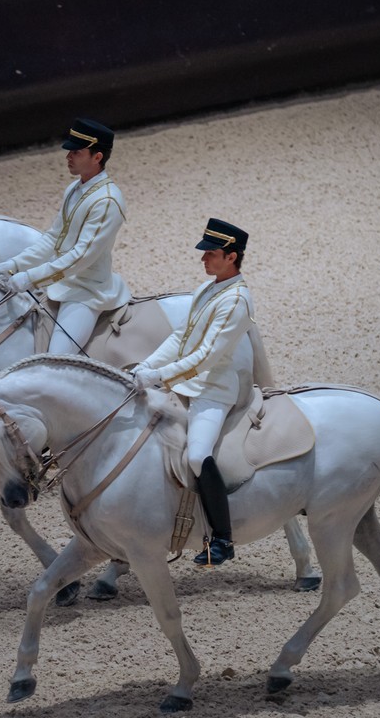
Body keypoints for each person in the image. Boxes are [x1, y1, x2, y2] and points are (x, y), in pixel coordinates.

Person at [131, 218, 256, 566]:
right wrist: (146, 365)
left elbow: (205, 358)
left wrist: (159, 377)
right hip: (182, 382)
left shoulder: (236, 301)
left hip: (212, 390)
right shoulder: (207, 288)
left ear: (231, 257)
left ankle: (223, 539)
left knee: (197, 456)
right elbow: (180, 338)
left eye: (211, 254)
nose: (203, 259)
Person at [0, 118, 131, 353]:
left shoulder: (107, 201)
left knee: (56, 358)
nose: (68, 157)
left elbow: (80, 257)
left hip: (86, 292)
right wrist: (14, 264)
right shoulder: (75, 189)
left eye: (76, 152)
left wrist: (31, 278)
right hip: (61, 281)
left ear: (97, 157)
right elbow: (52, 238)